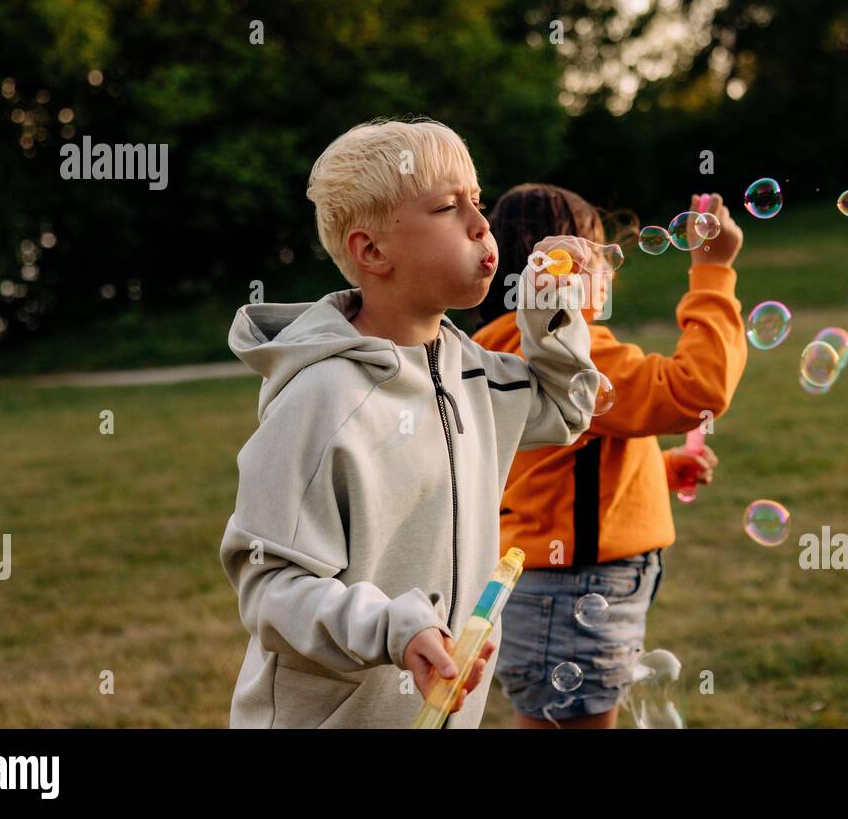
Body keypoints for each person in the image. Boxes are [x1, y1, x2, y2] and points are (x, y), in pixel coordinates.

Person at [219, 119, 596, 727]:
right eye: (449, 207)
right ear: (372, 251)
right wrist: (393, 626)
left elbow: (565, 408)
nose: (481, 223)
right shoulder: (321, 397)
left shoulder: (474, 374)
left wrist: (551, 310)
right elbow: (269, 586)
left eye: (479, 200)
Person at [472, 184, 748, 727]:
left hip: (553, 588)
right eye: (596, 250)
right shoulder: (570, 350)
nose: (608, 267)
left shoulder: (499, 341)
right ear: (557, 264)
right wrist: (713, 270)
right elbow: (697, 390)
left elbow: (548, 468)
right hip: (575, 591)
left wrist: (655, 472)